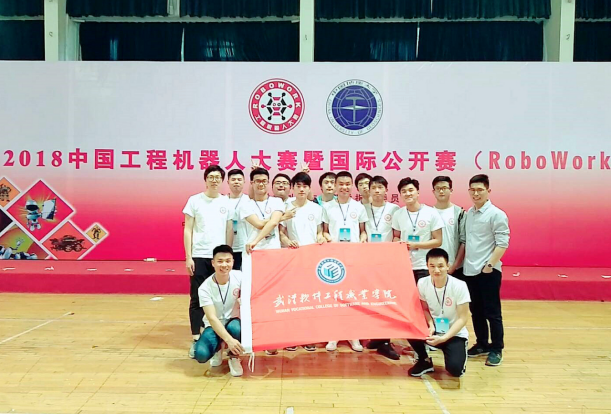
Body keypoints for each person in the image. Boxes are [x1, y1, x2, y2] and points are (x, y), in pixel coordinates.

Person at [183, 165, 234, 359]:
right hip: (199, 254)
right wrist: (188, 256)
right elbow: (188, 229)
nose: (214, 180)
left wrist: (227, 256)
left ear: (222, 180)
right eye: (211, 177)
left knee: (221, 297)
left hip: (219, 259)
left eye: (217, 177)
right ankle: (196, 337)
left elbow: (229, 229)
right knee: (197, 297)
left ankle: (220, 337)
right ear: (205, 179)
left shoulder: (226, 202)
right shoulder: (194, 200)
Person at [462, 174, 509, 367]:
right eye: (472, 190)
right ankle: (481, 343)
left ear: (488, 191)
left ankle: (496, 349)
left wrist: (489, 265)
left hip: (488, 271)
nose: (476, 193)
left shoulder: (497, 214)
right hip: (470, 270)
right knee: (476, 311)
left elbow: (502, 243)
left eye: (480, 190)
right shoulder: (469, 213)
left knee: (493, 312)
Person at [279, 172, 325, 352]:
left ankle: (308, 336)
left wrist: (320, 238)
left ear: (309, 188)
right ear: (293, 188)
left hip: (312, 259)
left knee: (309, 298)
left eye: (305, 186)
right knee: (292, 298)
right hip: (292, 258)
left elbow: (320, 231)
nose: (301, 189)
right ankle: (291, 336)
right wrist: (287, 242)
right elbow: (281, 233)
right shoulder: (286, 207)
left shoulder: (316, 208)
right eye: (298, 186)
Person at [321, 171, 367, 352]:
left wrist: (362, 240)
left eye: (348, 184)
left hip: (353, 258)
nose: (344, 187)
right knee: (334, 297)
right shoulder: (327, 207)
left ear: (352, 186)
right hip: (333, 259)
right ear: (335, 186)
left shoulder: (359, 207)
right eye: (341, 184)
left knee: (352, 297)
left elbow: (363, 231)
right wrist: (328, 239)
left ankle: (353, 335)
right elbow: (324, 231)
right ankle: (333, 335)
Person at [407, 248, 471, 378]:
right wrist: (431, 325)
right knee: (409, 324)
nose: (436, 270)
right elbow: (424, 309)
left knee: (455, 370)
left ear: (448, 266)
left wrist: (444, 338)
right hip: (434, 330)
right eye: (432, 266)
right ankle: (424, 360)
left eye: (441, 266)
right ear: (427, 266)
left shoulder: (460, 286)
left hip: (454, 334)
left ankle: (451, 351)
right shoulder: (422, 283)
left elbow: (463, 318)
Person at [364, 175, 401, 360]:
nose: (377, 190)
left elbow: (396, 235)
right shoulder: (363, 208)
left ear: (386, 190)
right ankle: (376, 336)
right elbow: (361, 231)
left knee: (385, 299)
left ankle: (386, 340)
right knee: (370, 298)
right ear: (369, 190)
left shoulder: (394, 209)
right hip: (367, 261)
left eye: (380, 187)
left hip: (386, 261)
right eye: (374, 187)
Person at [193, 245, 244, 377]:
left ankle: (234, 357)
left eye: (228, 261)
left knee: (236, 328)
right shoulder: (204, 288)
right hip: (214, 325)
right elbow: (212, 318)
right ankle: (218, 348)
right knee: (201, 354)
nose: (224, 265)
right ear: (213, 263)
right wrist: (229, 340)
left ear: (233, 262)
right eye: (220, 261)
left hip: (234, 321)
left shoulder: (240, 277)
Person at [392, 177, 444, 281]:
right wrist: (399, 244)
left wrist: (416, 245)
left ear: (418, 192)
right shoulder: (398, 214)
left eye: (411, 190)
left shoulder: (431, 212)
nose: (407, 194)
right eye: (404, 191)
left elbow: (438, 241)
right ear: (400, 195)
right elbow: (396, 237)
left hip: (425, 265)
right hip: (405, 265)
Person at [432, 176, 466, 277]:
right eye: (438, 188)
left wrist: (454, 266)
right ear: (433, 191)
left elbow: (463, 242)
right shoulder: (428, 213)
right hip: (434, 267)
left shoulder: (460, 213)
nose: (441, 191)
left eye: (444, 188)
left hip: (456, 267)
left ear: (451, 190)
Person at [227, 169, 246, 270]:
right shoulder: (222, 200)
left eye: (239, 179)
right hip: (226, 247)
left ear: (244, 182)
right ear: (228, 182)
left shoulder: (249, 200)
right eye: (233, 179)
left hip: (244, 246)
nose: (236, 182)